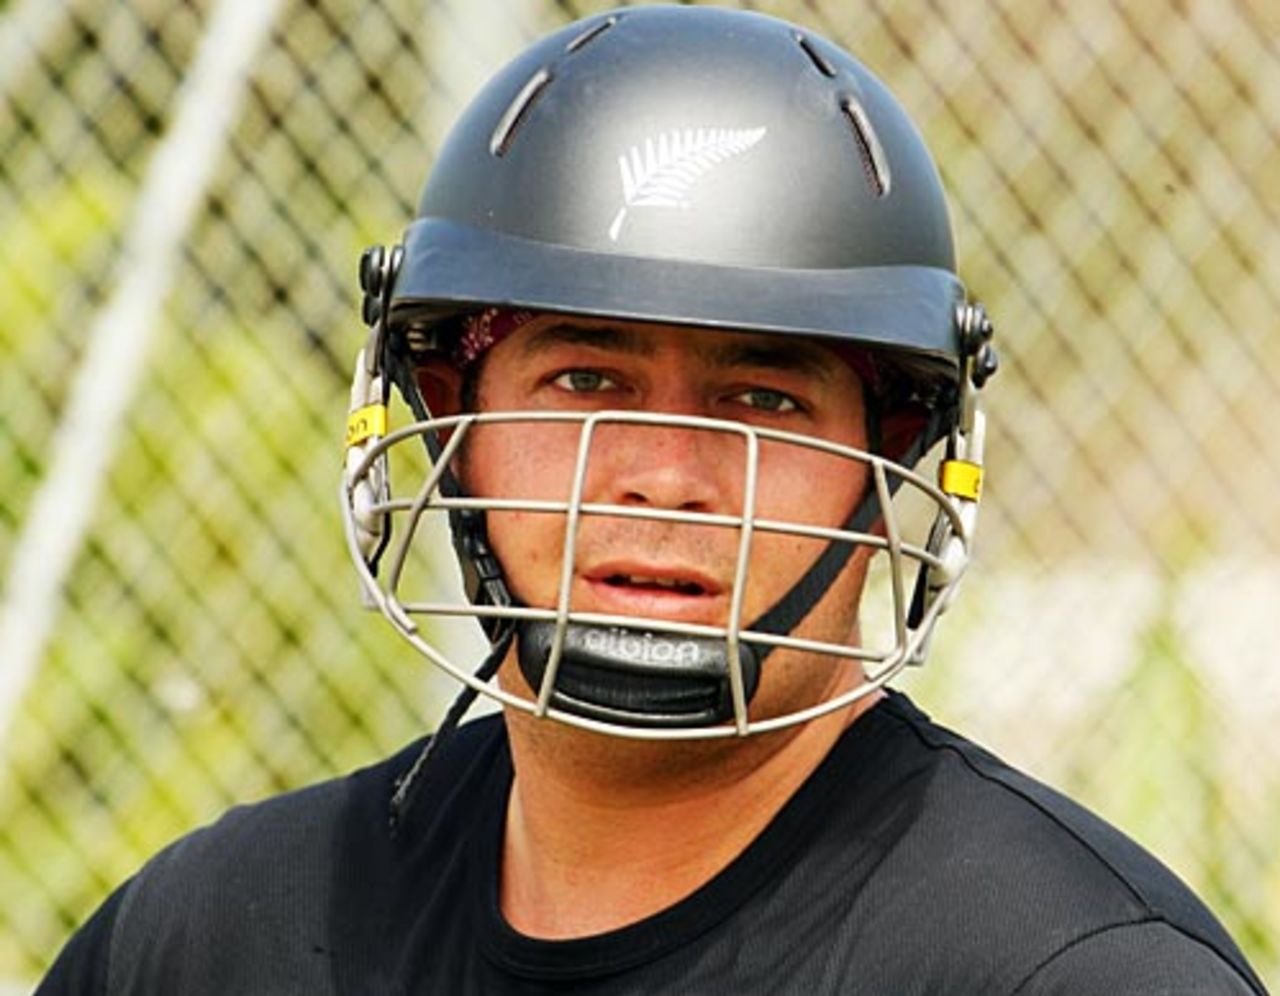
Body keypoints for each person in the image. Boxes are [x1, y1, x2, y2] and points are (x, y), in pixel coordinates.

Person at [39, 6, 1266, 994]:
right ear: (445, 417)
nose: (663, 476)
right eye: (584, 380)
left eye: (762, 400)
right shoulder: (222, 936)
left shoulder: (1060, 969)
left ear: (890, 453)